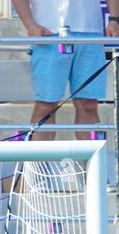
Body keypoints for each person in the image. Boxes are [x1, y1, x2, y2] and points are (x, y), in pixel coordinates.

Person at [11, 1, 119, 140]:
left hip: (90, 31)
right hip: (49, 31)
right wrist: (30, 24)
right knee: (46, 105)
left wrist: (114, 19)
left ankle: (91, 161)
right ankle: (39, 161)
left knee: (88, 104)